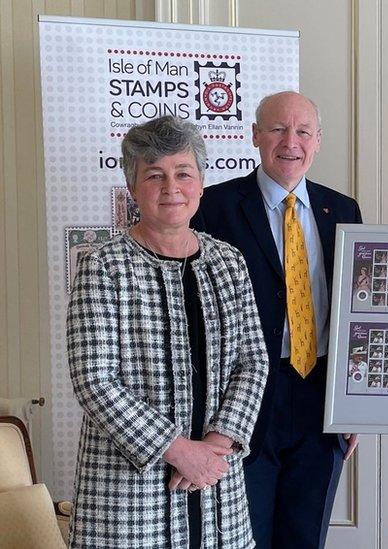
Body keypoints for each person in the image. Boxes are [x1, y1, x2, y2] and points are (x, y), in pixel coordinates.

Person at [67, 116, 268, 548]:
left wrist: (217, 445)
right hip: (127, 493)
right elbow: (94, 381)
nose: (170, 187)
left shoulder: (229, 262)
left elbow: (253, 361)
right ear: (134, 188)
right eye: (154, 176)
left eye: (183, 173)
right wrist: (179, 450)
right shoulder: (103, 266)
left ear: (200, 184)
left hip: (217, 483)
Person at [191, 91, 362, 549]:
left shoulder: (343, 211)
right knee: (245, 534)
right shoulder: (214, 207)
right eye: (277, 129)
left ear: (318, 140)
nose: (291, 142)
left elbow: (357, 314)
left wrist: (355, 401)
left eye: (303, 131)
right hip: (244, 397)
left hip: (319, 393)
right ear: (254, 136)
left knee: (307, 534)